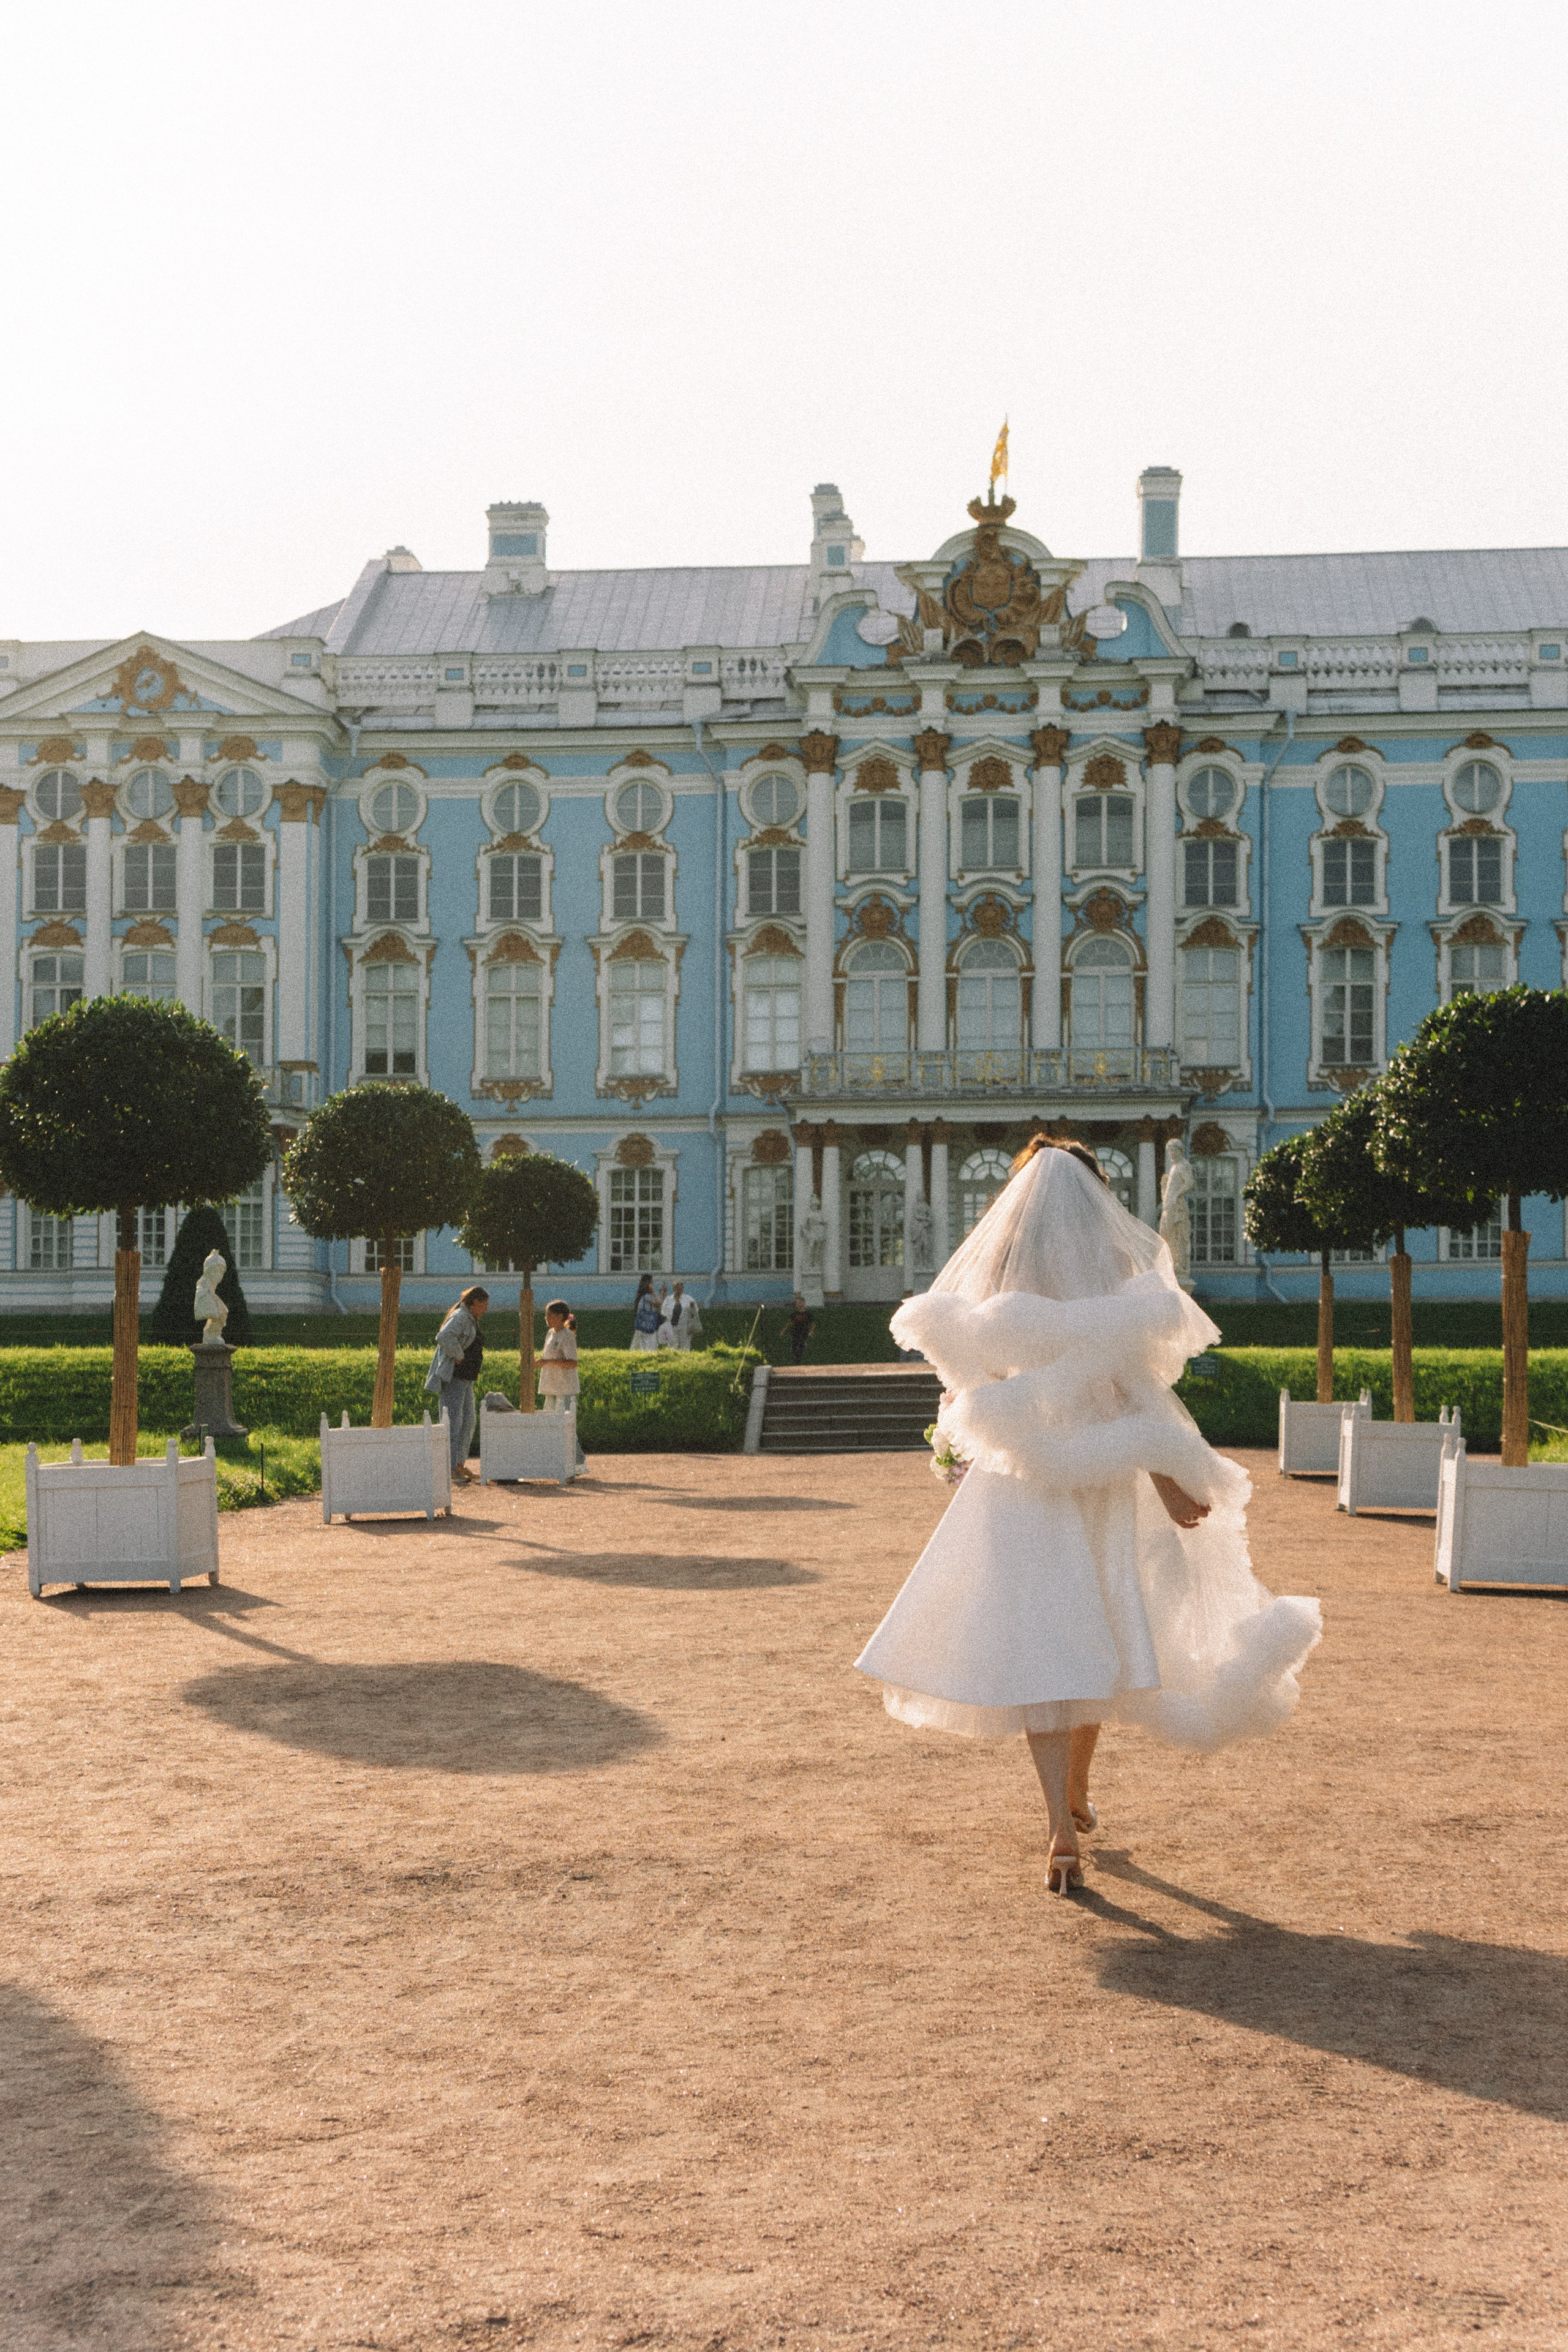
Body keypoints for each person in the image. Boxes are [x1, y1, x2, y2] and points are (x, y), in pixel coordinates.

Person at [856, 1138, 1321, 1897]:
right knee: (1095, 1643)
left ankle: (1059, 1828)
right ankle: (1074, 1793)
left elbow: (965, 1394)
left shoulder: (996, 1279)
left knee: (1044, 1650)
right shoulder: (1111, 1281)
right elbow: (1132, 1392)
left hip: (1017, 1490)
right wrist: (1173, 1481)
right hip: (1099, 1485)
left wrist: (961, 1448)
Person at [424, 1284, 489, 1482]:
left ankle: (459, 1464)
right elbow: (443, 1336)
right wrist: (459, 1355)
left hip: (466, 1378)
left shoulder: (470, 1318)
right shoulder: (461, 1317)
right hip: (454, 1376)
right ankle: (450, 1468)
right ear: (475, 1302)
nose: (486, 1309)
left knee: (469, 1421)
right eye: (484, 1304)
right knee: (453, 1422)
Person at [538, 1298, 587, 1471]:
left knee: (566, 1426)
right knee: (549, 1425)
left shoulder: (567, 1336)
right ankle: (554, 1460)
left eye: (550, 1315)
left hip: (565, 1388)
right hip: (551, 1386)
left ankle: (579, 1462)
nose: (546, 1318)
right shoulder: (550, 1334)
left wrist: (548, 1362)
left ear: (560, 1317)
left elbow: (573, 1362)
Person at [631, 1273, 663, 1351]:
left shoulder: (641, 1296)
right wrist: (653, 1292)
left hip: (642, 1325)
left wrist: (661, 1294)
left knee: (643, 1349)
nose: (652, 1285)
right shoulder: (647, 1296)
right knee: (651, 1349)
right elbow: (659, 1303)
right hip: (649, 1326)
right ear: (648, 1284)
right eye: (651, 1283)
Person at [787, 1294, 814, 1365]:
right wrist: (783, 1331)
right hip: (795, 1333)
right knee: (794, 1347)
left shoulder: (808, 1314)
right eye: (796, 1303)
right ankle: (797, 1360)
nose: (797, 1304)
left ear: (803, 1303)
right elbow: (790, 1323)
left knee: (801, 1346)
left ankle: (799, 1360)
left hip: (804, 1333)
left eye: (799, 1303)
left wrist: (811, 1331)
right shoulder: (794, 1314)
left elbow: (813, 1324)